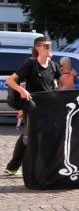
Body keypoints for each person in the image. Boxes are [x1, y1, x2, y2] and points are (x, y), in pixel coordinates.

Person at [4, 37, 60, 177]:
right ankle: (18, 167)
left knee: (37, 136)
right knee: (29, 137)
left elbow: (58, 84)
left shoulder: (54, 66)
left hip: (48, 108)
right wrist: (22, 91)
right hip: (32, 107)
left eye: (50, 46)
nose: (49, 48)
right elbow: (10, 81)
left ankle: (17, 167)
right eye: (46, 46)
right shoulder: (31, 64)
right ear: (38, 48)